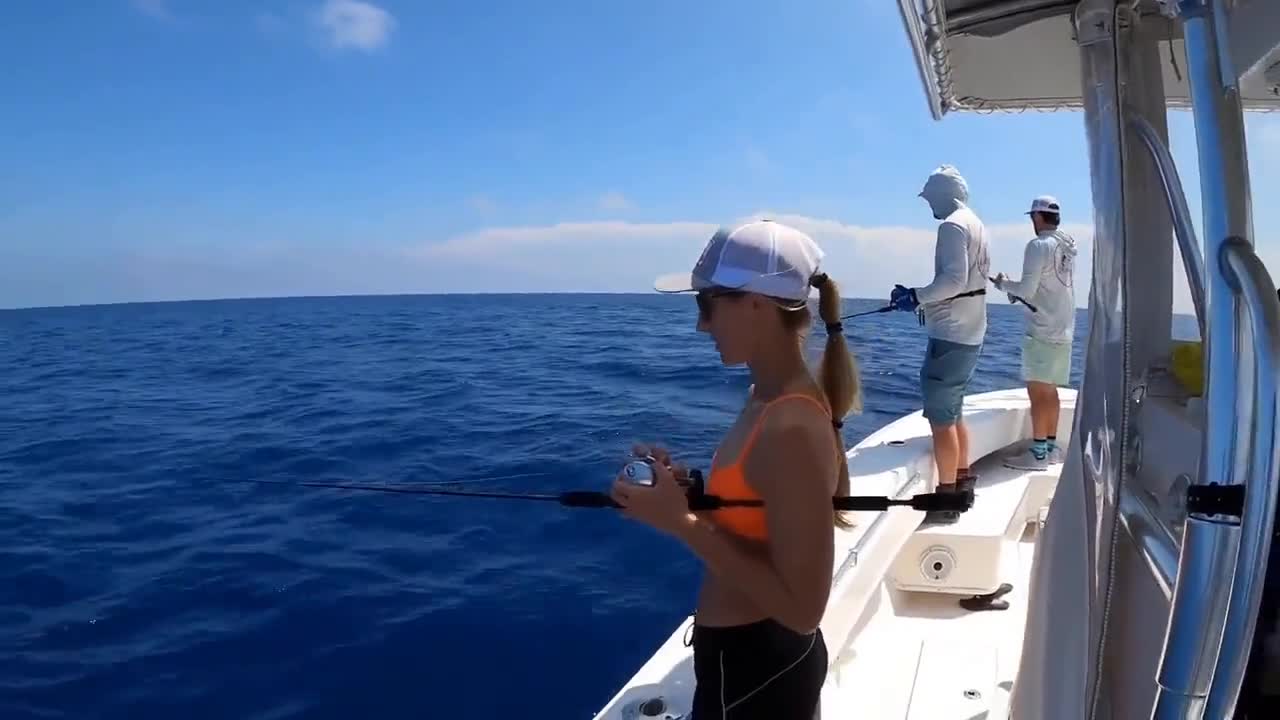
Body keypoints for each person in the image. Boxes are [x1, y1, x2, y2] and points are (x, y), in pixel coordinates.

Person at [612, 219, 862, 719]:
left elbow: (802, 610)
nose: (702, 324)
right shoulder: (764, 398)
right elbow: (759, 508)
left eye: (707, 305)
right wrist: (687, 494)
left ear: (756, 304)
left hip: (757, 676)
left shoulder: (789, 423)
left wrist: (681, 523)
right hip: (741, 665)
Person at [887, 164, 989, 523]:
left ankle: (947, 499)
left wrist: (916, 296)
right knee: (954, 409)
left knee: (942, 418)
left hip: (951, 333)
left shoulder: (952, 225)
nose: (929, 205)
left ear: (942, 194)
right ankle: (962, 481)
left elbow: (953, 280)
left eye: (930, 198)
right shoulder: (975, 222)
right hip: (971, 329)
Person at [993, 195, 1078, 470]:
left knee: (1037, 392)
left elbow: (1027, 290)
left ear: (1038, 218)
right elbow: (1044, 289)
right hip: (1063, 329)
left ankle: (1038, 454)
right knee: (1050, 391)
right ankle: (1050, 448)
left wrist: (1004, 285)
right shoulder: (1066, 246)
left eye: (1032, 217)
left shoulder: (1038, 245)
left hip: (1042, 329)